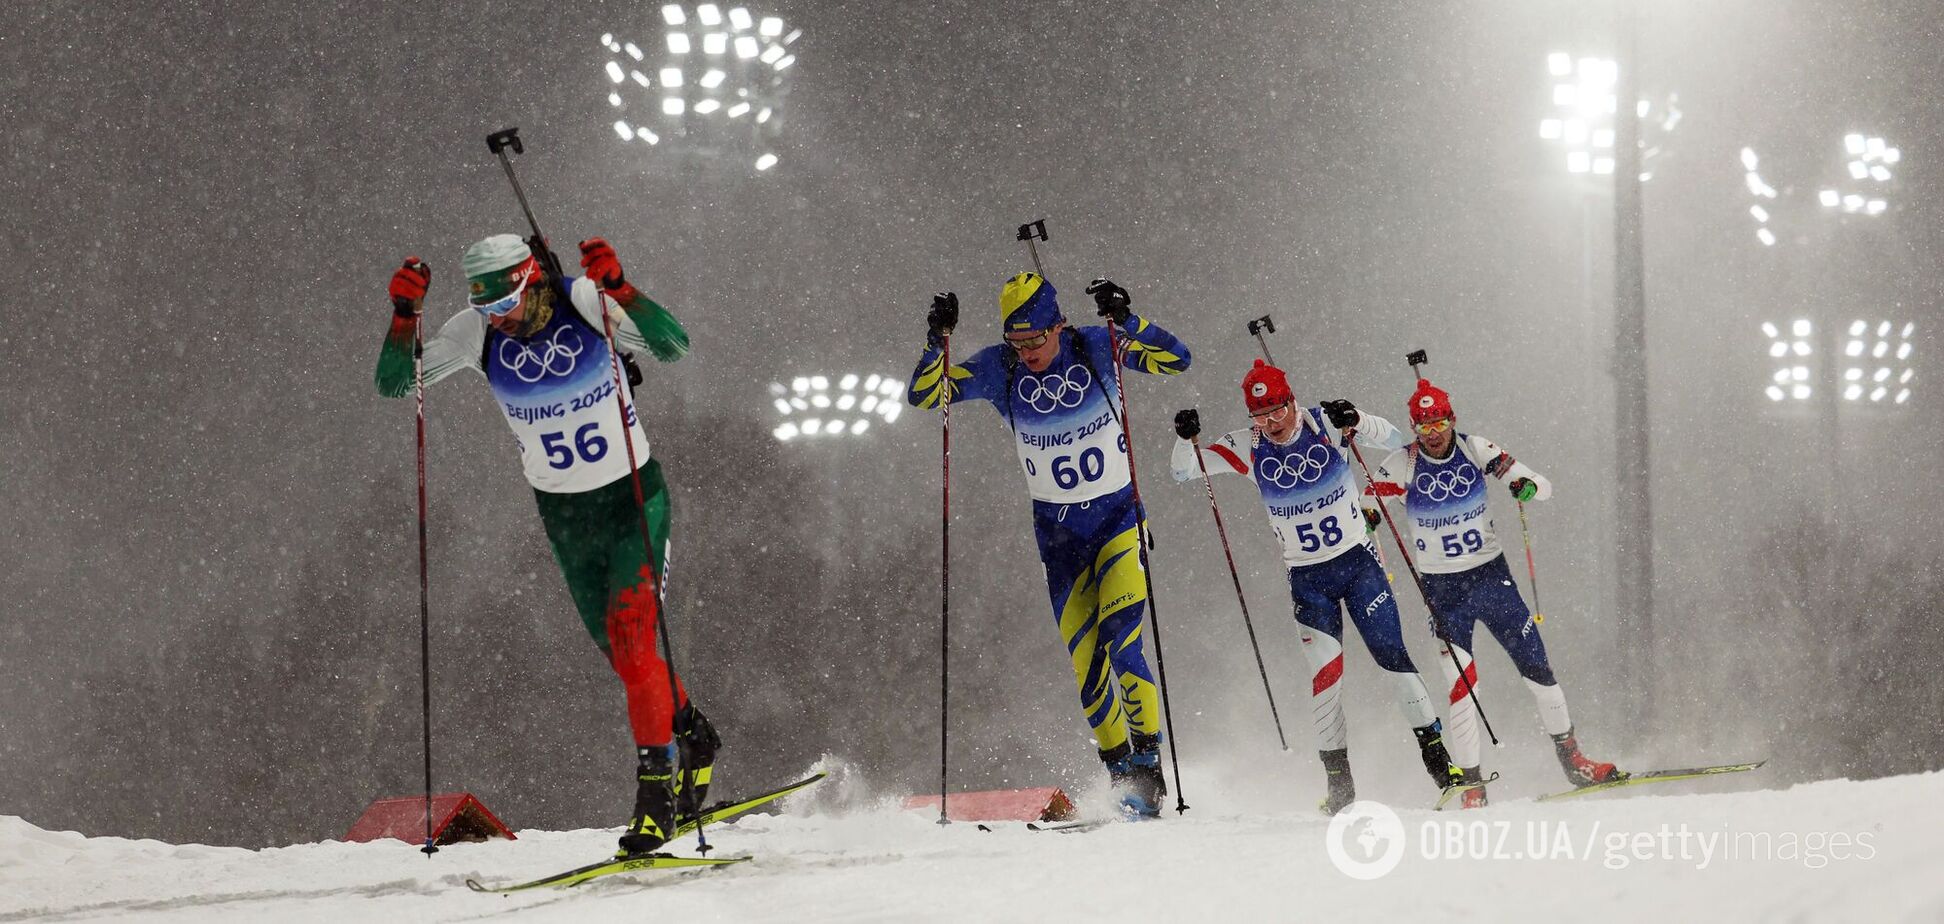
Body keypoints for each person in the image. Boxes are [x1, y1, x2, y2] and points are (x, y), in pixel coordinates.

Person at [375, 234, 718, 856]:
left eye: (505, 300)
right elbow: (398, 385)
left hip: (633, 500)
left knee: (638, 648)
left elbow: (673, 344)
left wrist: (620, 288)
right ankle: (693, 731)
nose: (497, 318)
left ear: (532, 280)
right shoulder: (478, 334)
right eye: (484, 306)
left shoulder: (585, 302)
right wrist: (404, 321)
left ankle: (655, 798)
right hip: (564, 517)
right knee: (625, 659)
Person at [906, 273, 1190, 815]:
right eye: (1020, 342)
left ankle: (1150, 770)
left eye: (1038, 339)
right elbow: (924, 397)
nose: (1030, 352)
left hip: (1117, 521)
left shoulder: (1095, 346)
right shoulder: (999, 366)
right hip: (1059, 540)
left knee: (1123, 644)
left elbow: (1178, 360)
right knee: (1087, 663)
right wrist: (935, 340)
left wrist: (1127, 319)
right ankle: (1119, 774)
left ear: (1059, 325)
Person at [1170, 361, 1460, 814]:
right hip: (1308, 580)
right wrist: (1183, 437)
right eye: (1261, 415)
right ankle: (1340, 787)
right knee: (1326, 680)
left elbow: (1393, 439)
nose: (1272, 423)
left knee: (1393, 657)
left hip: (1359, 566)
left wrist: (1357, 420)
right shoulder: (1247, 446)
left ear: (1292, 400)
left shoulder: (1325, 422)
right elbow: (1184, 471)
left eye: (1278, 410)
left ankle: (1444, 771)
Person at [1369, 377, 1623, 808]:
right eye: (1424, 427)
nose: (1434, 434)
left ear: (1453, 419)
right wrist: (1370, 514)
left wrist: (1524, 486)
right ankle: (1472, 785)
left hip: (1491, 580)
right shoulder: (1402, 463)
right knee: (1462, 687)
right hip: (1443, 592)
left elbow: (1542, 487)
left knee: (1539, 669)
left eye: (1440, 423)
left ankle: (1574, 761)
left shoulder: (1475, 449)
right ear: (1413, 428)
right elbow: (1365, 505)